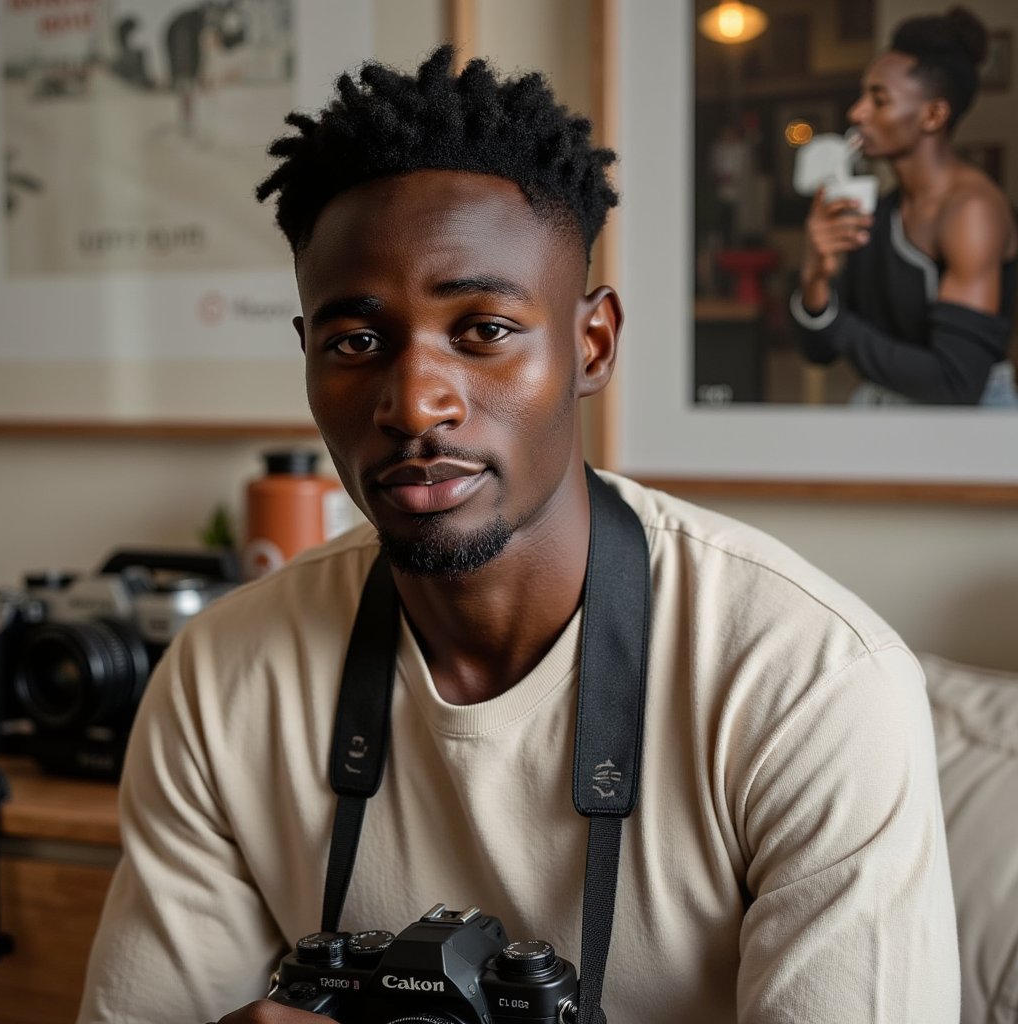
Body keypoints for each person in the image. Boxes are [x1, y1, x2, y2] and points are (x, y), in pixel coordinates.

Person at [77, 46, 960, 1023]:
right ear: (308, 358)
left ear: (591, 345)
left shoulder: (810, 683)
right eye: (356, 341)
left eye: (482, 330)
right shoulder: (219, 679)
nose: (415, 401)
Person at [792, 5, 1018, 406]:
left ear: (933, 114)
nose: (856, 112)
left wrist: (834, 319)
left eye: (878, 100)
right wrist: (814, 276)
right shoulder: (880, 211)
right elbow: (818, 352)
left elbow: (955, 383)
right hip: (890, 415)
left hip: (966, 435)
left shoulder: (972, 211)